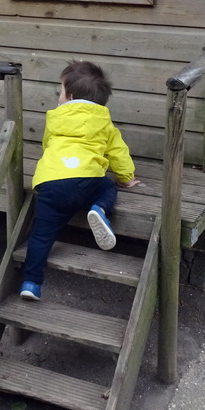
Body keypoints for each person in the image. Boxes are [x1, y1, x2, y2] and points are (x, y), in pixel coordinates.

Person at [19, 59, 141, 302]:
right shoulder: (104, 122)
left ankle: (31, 283)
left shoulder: (55, 118)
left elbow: (47, 146)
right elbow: (118, 152)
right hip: (87, 180)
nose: (58, 97)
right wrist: (126, 179)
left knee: (41, 237)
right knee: (108, 185)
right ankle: (100, 209)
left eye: (60, 92)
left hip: (50, 184)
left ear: (71, 95)